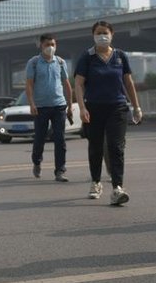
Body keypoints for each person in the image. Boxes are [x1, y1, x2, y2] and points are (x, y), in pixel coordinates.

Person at [74, 21, 142, 205]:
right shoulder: (87, 57)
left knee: (116, 147)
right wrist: (82, 108)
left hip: (117, 107)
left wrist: (136, 107)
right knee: (95, 147)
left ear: (112, 34)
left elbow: (128, 83)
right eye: (98, 33)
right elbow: (79, 84)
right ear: (93, 35)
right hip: (94, 108)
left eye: (105, 32)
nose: (102, 35)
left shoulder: (120, 56)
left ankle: (117, 187)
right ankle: (96, 182)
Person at [26, 33, 74, 182]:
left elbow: (67, 85)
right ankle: (37, 161)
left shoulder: (60, 62)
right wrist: (32, 104)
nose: (50, 47)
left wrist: (70, 106)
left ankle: (60, 170)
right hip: (40, 107)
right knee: (40, 138)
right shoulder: (33, 63)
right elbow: (29, 85)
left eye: (52, 44)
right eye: (47, 45)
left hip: (59, 105)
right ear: (41, 45)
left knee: (60, 139)